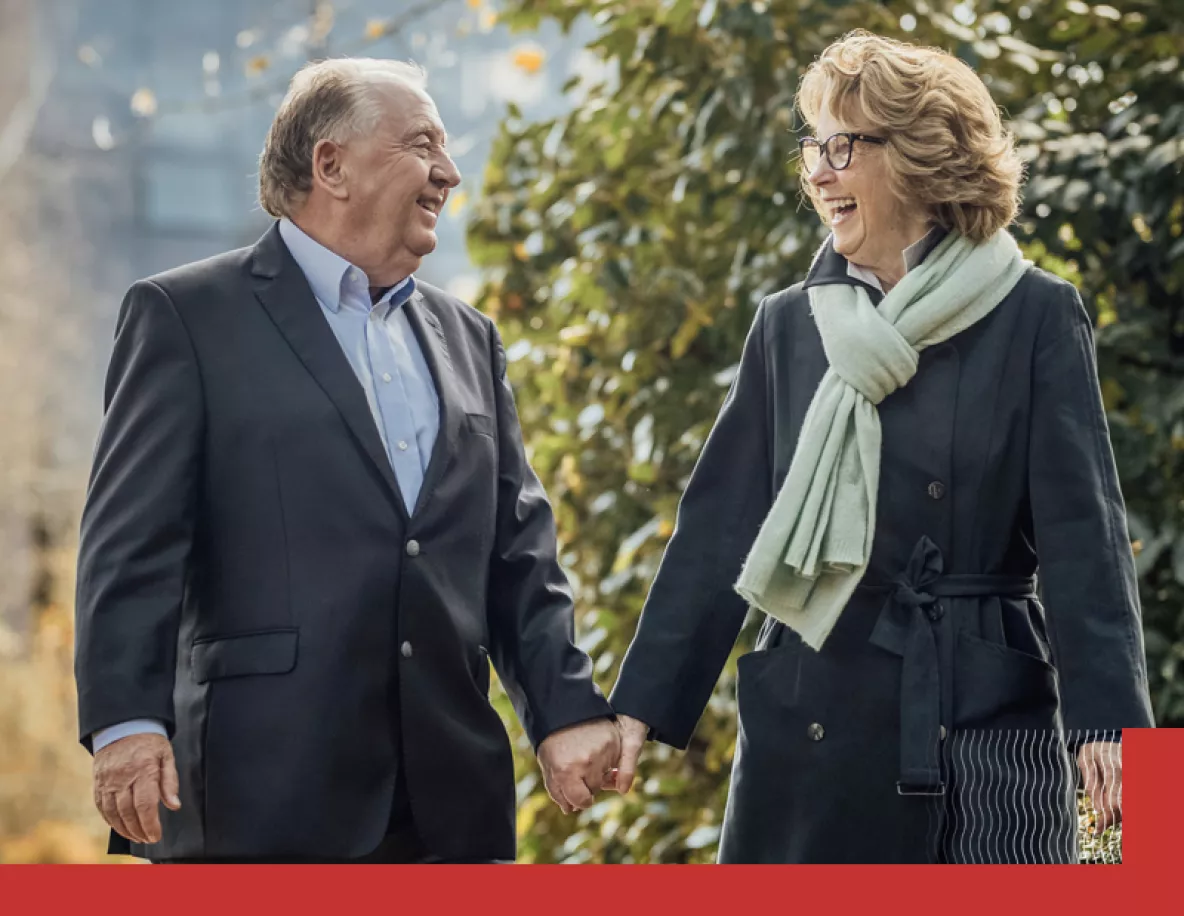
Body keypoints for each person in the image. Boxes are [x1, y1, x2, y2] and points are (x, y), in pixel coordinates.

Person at [608, 31, 1154, 864]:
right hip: (811, 712)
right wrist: (636, 711)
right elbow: (718, 530)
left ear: (921, 157)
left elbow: (1086, 537)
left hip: (978, 719)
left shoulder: (1035, 313)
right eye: (811, 148)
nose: (817, 172)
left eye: (840, 146)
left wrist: (1112, 727)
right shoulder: (789, 324)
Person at [74, 58, 619, 864]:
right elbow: (131, 543)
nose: (449, 171)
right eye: (422, 144)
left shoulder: (470, 338)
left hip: (448, 802)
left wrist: (565, 708)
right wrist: (127, 722)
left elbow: (517, 551)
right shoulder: (185, 317)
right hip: (259, 797)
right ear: (330, 164)